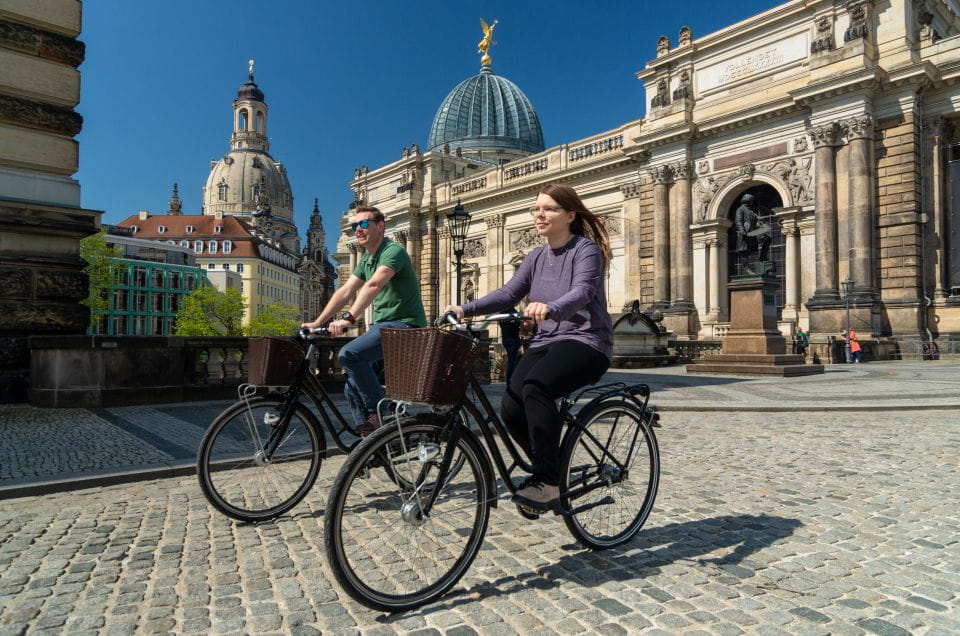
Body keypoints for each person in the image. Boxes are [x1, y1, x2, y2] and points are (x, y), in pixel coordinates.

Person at [445, 183, 613, 511]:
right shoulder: (536, 256)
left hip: (587, 341)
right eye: (536, 209)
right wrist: (466, 309)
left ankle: (548, 482)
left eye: (548, 209)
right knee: (510, 403)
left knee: (537, 387)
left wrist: (551, 307)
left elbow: (583, 291)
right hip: (547, 340)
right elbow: (509, 293)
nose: (539, 214)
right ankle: (547, 465)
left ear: (569, 215)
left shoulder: (585, 250)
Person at [302, 206, 426, 434]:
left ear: (380, 226)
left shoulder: (393, 251)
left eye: (364, 224)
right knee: (351, 387)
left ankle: (383, 414)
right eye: (354, 226)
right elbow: (345, 291)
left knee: (349, 354)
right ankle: (372, 448)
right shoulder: (367, 259)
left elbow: (374, 285)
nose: (358, 229)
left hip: (405, 327)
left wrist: (349, 318)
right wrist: (317, 322)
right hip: (384, 328)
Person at [734, 193, 771, 275]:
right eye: (752, 200)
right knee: (745, 252)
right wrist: (742, 230)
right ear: (748, 200)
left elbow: (757, 219)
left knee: (767, 239)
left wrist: (761, 223)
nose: (752, 202)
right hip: (745, 233)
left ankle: (762, 257)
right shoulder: (740, 209)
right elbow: (738, 221)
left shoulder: (750, 211)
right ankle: (746, 269)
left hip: (753, 233)